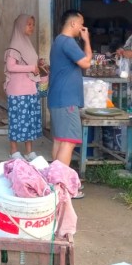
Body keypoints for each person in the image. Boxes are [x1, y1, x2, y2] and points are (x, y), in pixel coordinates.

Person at [48, 10, 92, 171]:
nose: (82, 27)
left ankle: (56, 181)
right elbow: (86, 63)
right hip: (67, 101)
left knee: (60, 140)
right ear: (73, 23)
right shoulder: (68, 42)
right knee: (68, 141)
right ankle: (61, 183)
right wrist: (87, 40)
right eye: (81, 23)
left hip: (57, 98)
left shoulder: (58, 41)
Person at [4, 14, 48, 161]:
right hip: (18, 90)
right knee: (17, 120)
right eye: (28, 24)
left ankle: (29, 151)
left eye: (32, 24)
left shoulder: (27, 44)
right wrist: (31, 67)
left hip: (30, 89)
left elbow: (29, 64)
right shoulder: (14, 46)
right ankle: (13, 151)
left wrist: (38, 63)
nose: (32, 27)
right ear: (20, 26)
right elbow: (10, 66)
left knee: (29, 120)